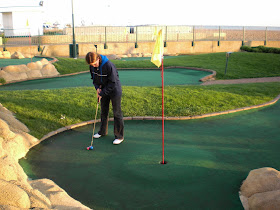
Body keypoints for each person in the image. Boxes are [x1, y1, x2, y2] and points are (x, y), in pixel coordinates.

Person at [85, 52, 124, 144]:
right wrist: (97, 88)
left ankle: (119, 136)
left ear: (98, 58)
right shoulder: (92, 67)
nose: (94, 66)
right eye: (92, 65)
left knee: (117, 113)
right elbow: (94, 80)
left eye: (95, 64)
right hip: (103, 89)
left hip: (114, 90)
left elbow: (113, 82)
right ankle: (102, 132)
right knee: (103, 111)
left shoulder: (108, 65)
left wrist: (102, 93)